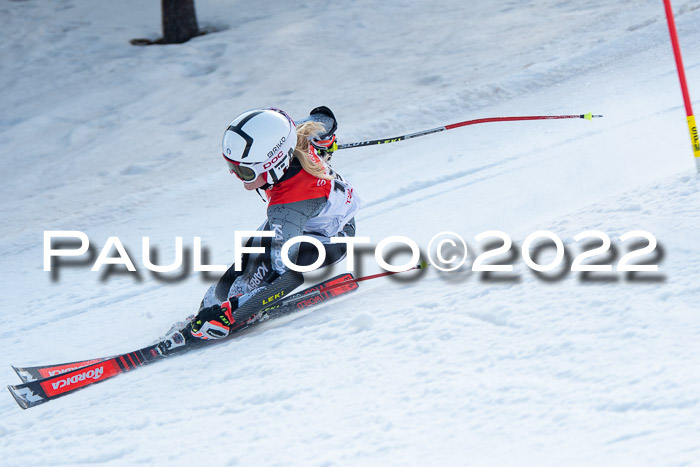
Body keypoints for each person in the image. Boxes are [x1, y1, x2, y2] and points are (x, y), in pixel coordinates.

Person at [190, 107, 360, 340]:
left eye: (245, 172)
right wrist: (326, 139)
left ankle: (224, 312)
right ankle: (211, 307)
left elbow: (286, 278)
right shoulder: (291, 135)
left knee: (258, 273)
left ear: (274, 164)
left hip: (330, 241)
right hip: (313, 220)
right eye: (233, 167)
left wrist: (232, 315)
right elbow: (324, 120)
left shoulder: (285, 207)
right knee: (247, 258)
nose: (237, 177)